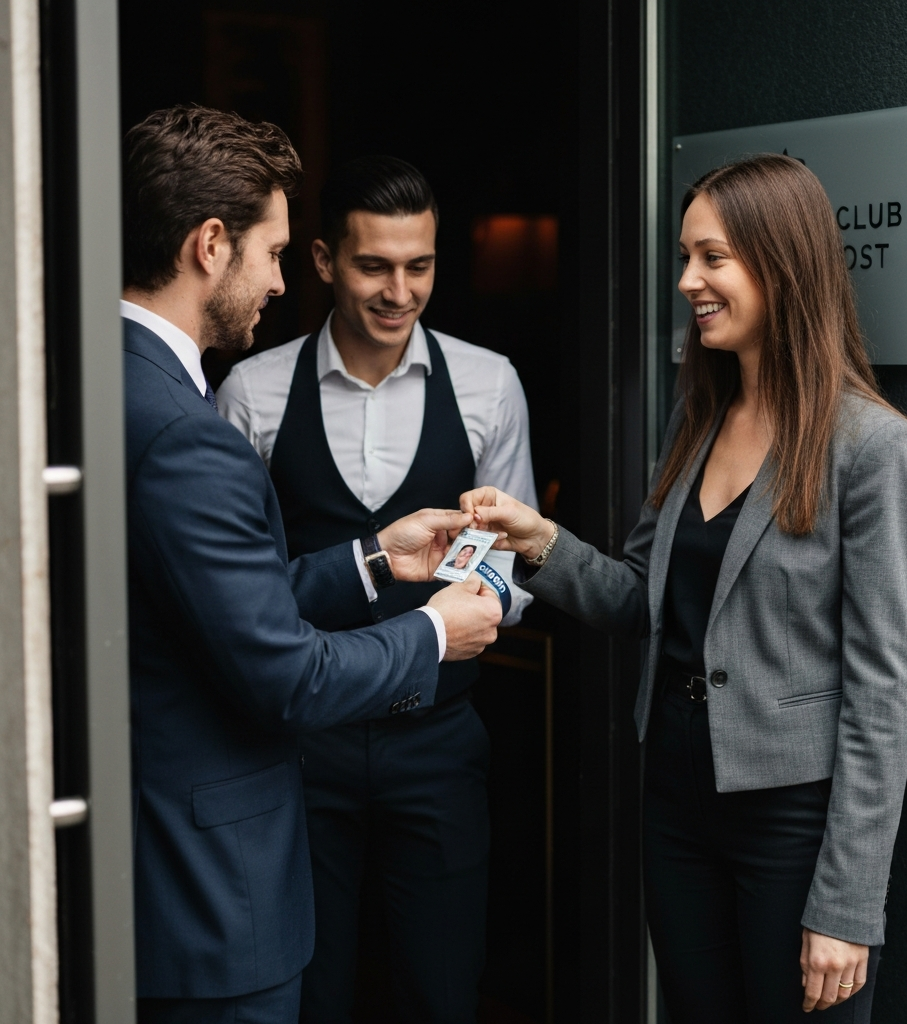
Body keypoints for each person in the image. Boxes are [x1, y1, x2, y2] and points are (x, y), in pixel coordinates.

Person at [462, 154, 907, 1022]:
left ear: (780, 264)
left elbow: (881, 696)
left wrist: (847, 904)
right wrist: (538, 541)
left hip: (793, 816)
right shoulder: (700, 416)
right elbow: (639, 597)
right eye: (686, 257)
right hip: (677, 796)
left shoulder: (874, 449)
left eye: (712, 257)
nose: (687, 281)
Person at [122, 106, 502, 1024]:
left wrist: (373, 560)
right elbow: (282, 671)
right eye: (274, 253)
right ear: (211, 244)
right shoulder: (194, 428)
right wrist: (433, 631)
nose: (279, 280)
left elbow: (225, 603)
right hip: (216, 886)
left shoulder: (113, 382)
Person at [217, 155, 538, 1023]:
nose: (400, 293)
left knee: (442, 988)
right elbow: (234, 590)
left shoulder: (489, 384)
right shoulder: (251, 393)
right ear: (324, 260)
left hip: (437, 737)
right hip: (298, 743)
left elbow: (512, 568)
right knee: (309, 989)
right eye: (374, 267)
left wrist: (486, 597)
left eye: (419, 266)